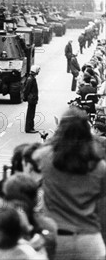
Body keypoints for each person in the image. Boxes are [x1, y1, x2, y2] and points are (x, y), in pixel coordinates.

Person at [33, 107, 106, 260]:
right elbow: (102, 209)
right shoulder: (99, 167)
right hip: (89, 240)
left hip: (56, 239)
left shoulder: (45, 157)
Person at [23, 65, 40, 134]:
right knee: (30, 114)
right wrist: (25, 97)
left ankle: (31, 127)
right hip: (32, 98)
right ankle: (29, 128)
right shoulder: (31, 79)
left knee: (31, 114)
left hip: (33, 98)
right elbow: (27, 89)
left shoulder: (32, 78)